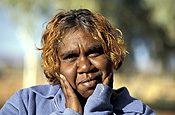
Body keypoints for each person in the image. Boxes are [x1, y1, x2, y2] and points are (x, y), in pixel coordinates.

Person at [0, 9, 156, 115]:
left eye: (94, 52)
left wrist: (99, 108)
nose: (85, 66)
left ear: (111, 55)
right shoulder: (25, 105)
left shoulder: (136, 111)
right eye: (70, 57)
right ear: (56, 65)